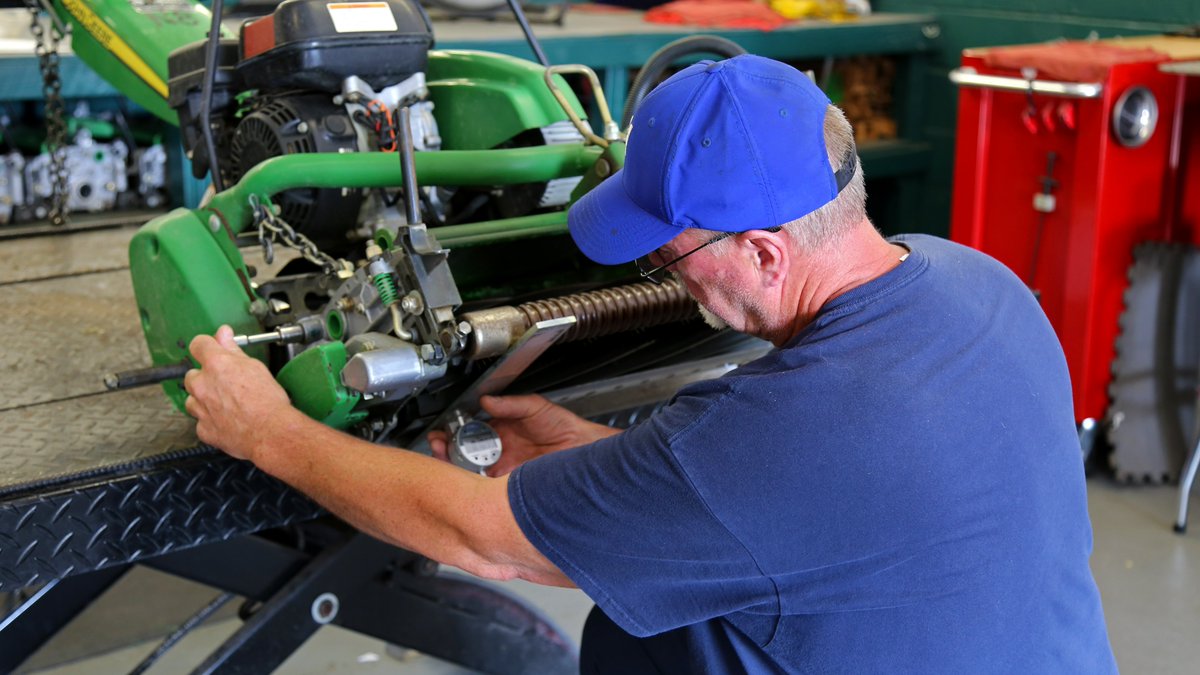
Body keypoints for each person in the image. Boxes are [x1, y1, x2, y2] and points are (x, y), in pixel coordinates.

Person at [184, 55, 1116, 672]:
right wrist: (592, 456)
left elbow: (480, 540)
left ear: (763, 252)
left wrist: (268, 431)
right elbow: (813, 511)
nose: (670, 277)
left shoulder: (771, 433)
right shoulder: (981, 281)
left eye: (672, 256)